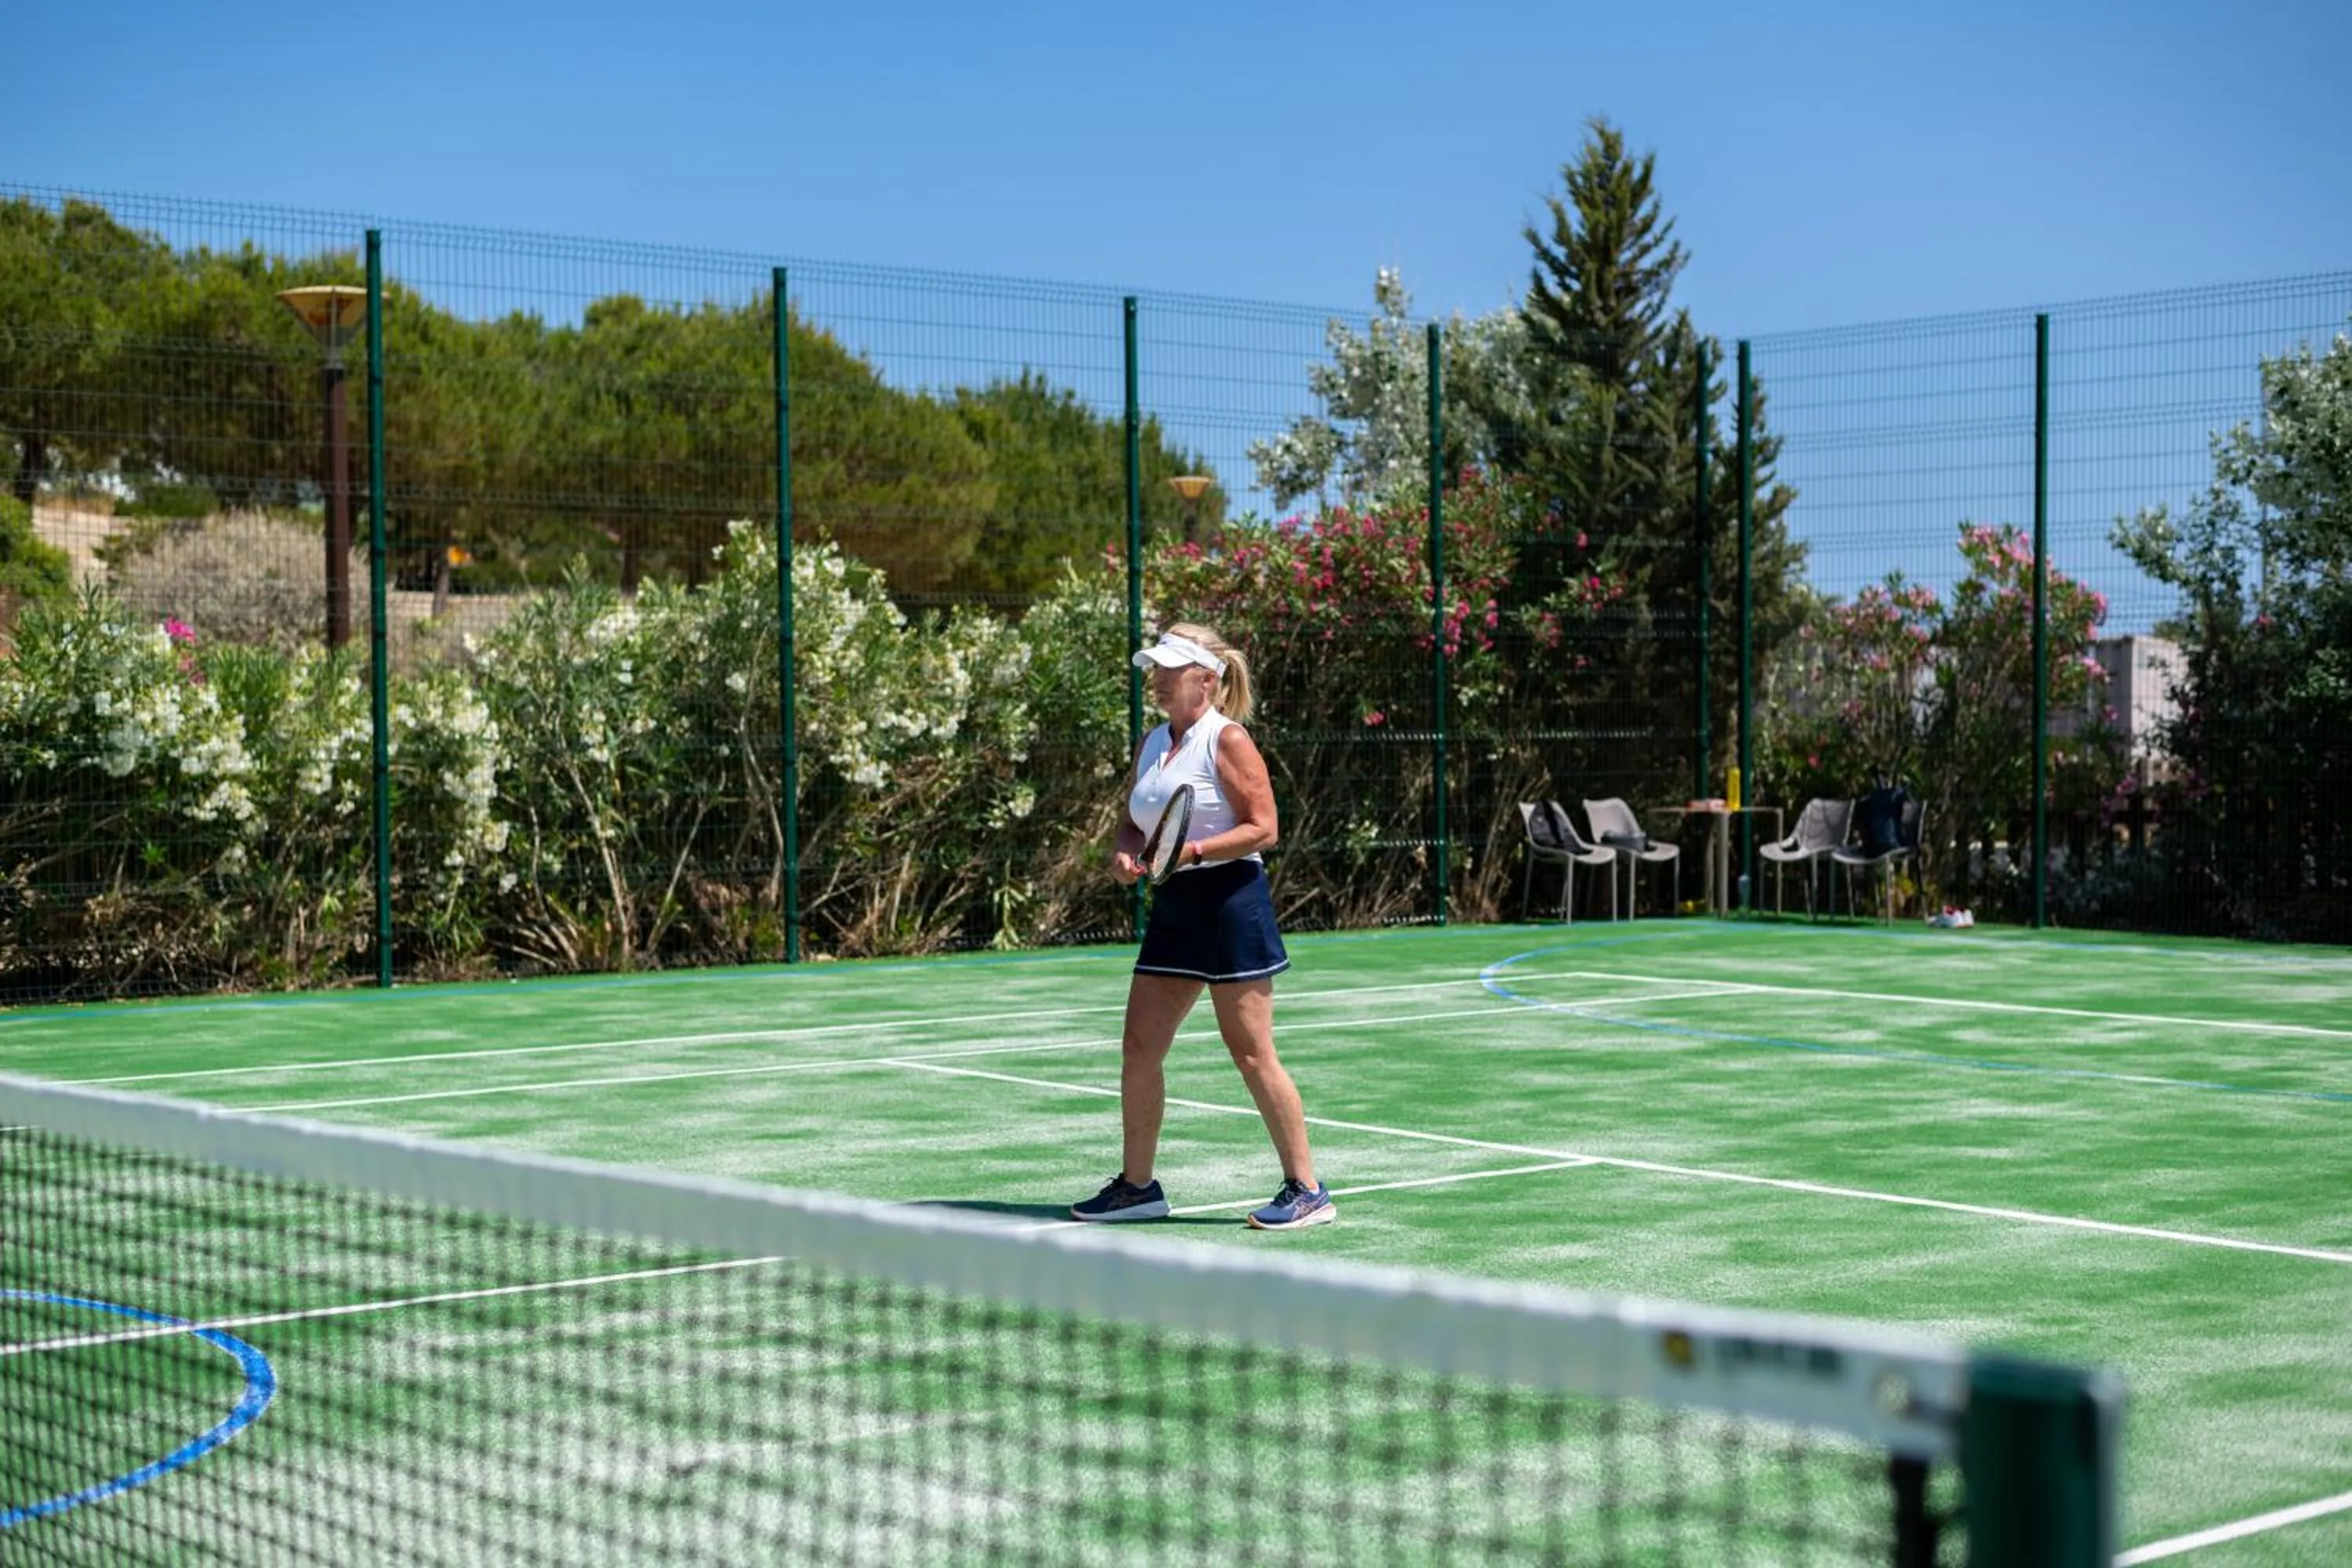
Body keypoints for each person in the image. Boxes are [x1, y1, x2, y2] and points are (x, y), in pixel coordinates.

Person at [1069, 623, 1334, 1231]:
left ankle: (1308, 1189)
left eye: (1170, 669)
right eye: (1154, 669)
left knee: (1250, 1053)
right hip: (1176, 907)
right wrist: (1124, 850)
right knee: (1139, 1048)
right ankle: (1138, 1187)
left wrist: (1191, 852)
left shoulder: (1228, 739)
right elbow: (1137, 820)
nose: (1156, 679)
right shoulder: (1152, 741)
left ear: (1207, 680)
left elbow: (1264, 828)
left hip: (1229, 901)